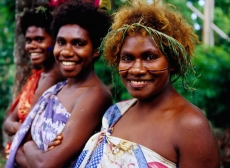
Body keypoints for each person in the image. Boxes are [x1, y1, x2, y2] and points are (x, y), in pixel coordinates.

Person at [71, 0, 220, 167]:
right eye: (127, 58)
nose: (137, 69)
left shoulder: (190, 126)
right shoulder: (115, 114)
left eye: (150, 57)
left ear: (171, 60)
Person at [5, 0, 112, 167]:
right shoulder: (55, 90)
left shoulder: (95, 95)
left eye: (78, 43)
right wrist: (31, 148)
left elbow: (44, 163)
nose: (66, 52)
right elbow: (19, 144)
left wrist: (28, 146)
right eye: (61, 42)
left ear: (96, 50)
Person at [3, 5, 65, 158]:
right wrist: (21, 127)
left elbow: (27, 129)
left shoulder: (54, 76)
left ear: (55, 41)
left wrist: (18, 128)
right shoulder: (37, 77)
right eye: (28, 40)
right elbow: (8, 123)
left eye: (39, 39)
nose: (32, 46)